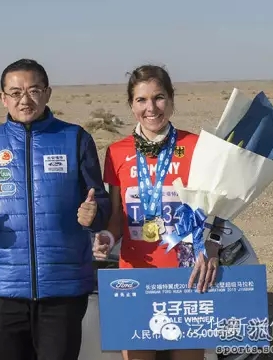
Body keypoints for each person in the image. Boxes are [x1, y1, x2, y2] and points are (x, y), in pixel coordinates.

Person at [0, 58, 111, 360]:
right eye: (15, 93)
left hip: (63, 289)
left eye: (34, 90)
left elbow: (100, 201)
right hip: (3, 290)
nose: (25, 100)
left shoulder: (76, 138)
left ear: (47, 93)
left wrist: (95, 215)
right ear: (3, 98)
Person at [92, 64, 220, 360]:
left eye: (159, 97)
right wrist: (107, 238)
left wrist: (212, 247)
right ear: (131, 105)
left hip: (188, 276)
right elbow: (117, 218)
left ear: (172, 100)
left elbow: (216, 211)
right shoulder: (116, 152)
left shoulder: (196, 146)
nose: (151, 108)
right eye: (141, 100)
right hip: (136, 277)